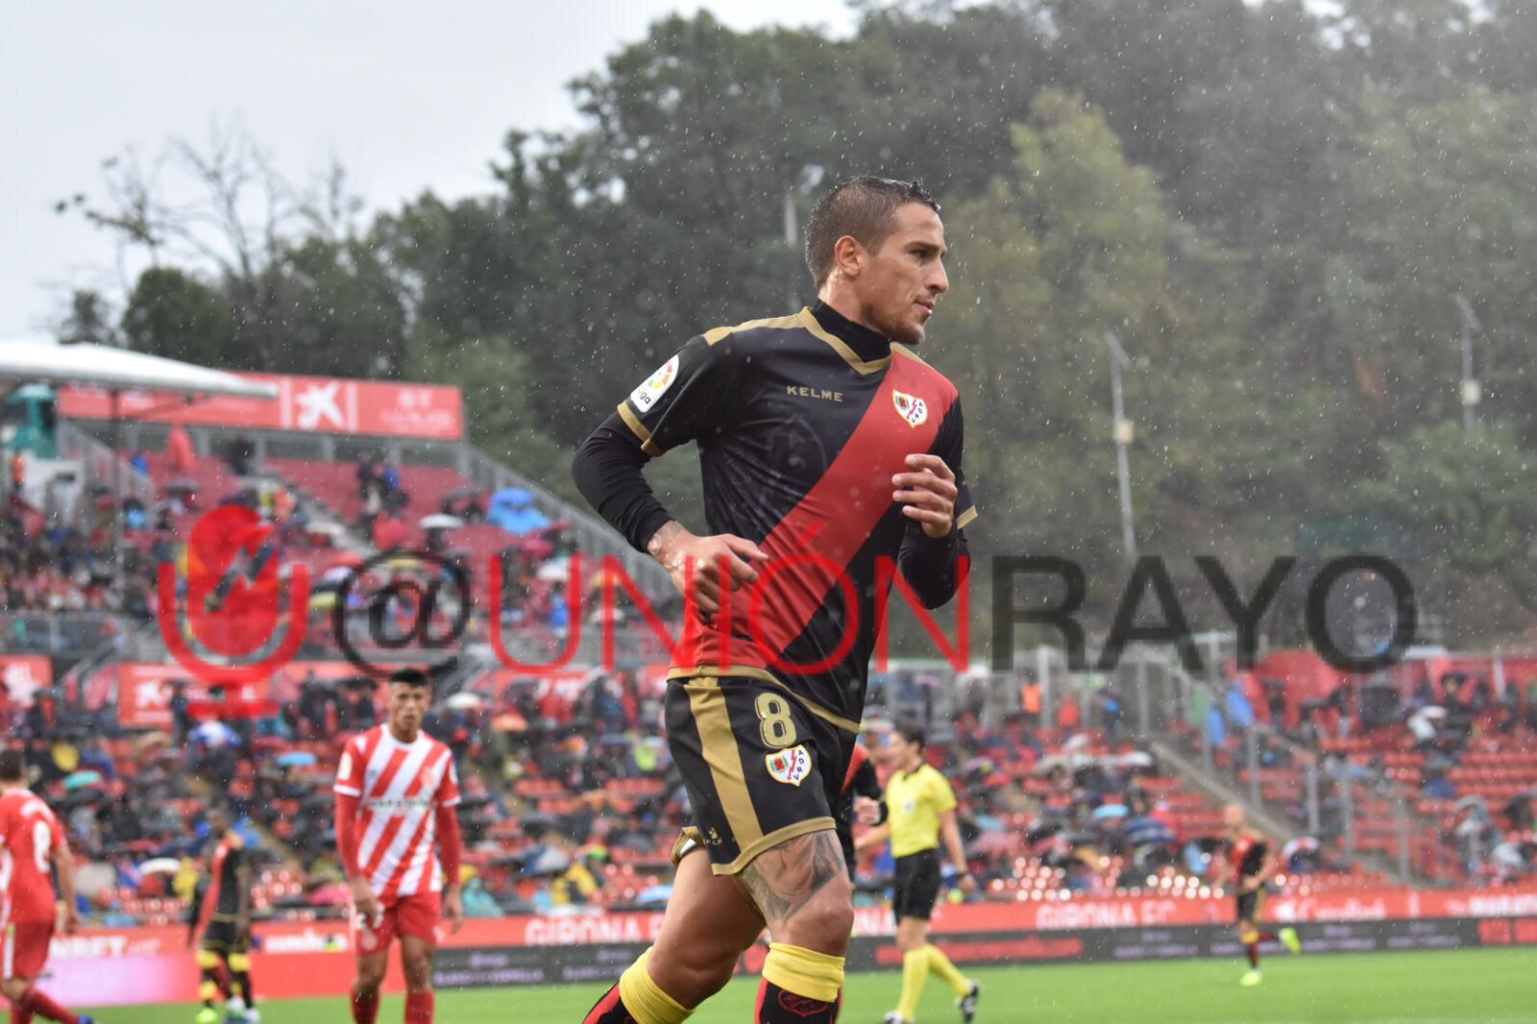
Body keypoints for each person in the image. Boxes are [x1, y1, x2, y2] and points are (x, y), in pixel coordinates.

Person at [572, 176, 974, 1024]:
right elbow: (602, 455)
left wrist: (940, 534)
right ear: (850, 255)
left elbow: (932, 587)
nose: (941, 279)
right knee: (821, 914)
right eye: (922, 254)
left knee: (690, 961)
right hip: (738, 678)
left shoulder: (935, 402)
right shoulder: (739, 355)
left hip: (834, 716)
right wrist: (675, 544)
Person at [333, 668, 465, 1024]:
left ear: (428, 702)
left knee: (419, 966)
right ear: (387, 701)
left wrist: (454, 888)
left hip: (420, 878)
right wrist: (356, 881)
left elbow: (449, 828)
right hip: (373, 880)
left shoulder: (439, 756)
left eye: (417, 698)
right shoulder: (361, 749)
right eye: (402, 697)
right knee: (370, 977)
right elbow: (344, 820)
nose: (410, 705)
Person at [854, 722, 980, 1024]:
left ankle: (905, 1015)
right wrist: (860, 842)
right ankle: (965, 988)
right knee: (910, 942)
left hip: (924, 863)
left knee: (911, 940)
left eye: (896, 744)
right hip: (901, 864)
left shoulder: (933, 781)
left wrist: (962, 870)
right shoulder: (896, 782)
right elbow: (891, 826)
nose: (891, 750)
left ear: (914, 746)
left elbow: (948, 828)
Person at [0, 749, 95, 1024]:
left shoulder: (5, 806)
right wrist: (71, 908)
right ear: (23, 773)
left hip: (17, 902)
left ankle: (78, 1022)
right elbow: (64, 858)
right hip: (44, 902)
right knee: (23, 982)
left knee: (8, 984)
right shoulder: (42, 808)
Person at [1216, 803, 1301, 986]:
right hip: (1238, 889)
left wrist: (1256, 879)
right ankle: (1281, 936)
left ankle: (1254, 971)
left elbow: (1270, 862)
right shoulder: (1227, 840)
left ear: (1242, 816)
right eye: (1228, 815)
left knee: (1247, 929)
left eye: (1234, 814)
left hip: (1255, 889)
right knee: (1245, 933)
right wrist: (1219, 882)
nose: (1231, 818)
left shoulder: (1254, 838)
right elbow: (1228, 864)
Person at [191, 803, 257, 1024]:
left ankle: (249, 1009)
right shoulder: (218, 845)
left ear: (226, 820)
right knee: (207, 958)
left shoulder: (235, 845)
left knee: (237, 964)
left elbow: (244, 879)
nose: (213, 824)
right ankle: (231, 1000)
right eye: (210, 820)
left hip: (232, 914)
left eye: (216, 819)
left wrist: (243, 914)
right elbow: (212, 873)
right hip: (217, 913)